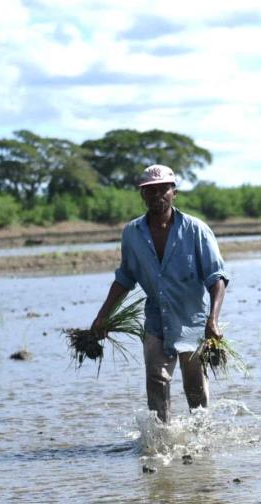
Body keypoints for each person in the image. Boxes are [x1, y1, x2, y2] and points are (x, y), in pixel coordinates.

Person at [91, 164, 229, 423]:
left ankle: (201, 440)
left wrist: (213, 321)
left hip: (193, 321)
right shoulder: (132, 233)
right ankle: (161, 439)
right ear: (142, 195)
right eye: (149, 191)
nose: (157, 195)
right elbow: (125, 278)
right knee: (156, 380)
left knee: (195, 387)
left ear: (173, 192)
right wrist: (102, 317)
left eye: (162, 189)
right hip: (156, 320)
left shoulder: (195, 230)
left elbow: (217, 277)